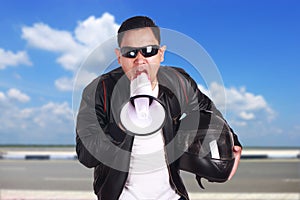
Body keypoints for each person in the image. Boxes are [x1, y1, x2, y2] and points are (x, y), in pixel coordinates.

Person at [76, 16, 242, 200]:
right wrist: (121, 126)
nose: (140, 60)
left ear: (161, 54)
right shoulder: (100, 90)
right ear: (119, 57)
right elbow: (85, 155)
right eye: (130, 53)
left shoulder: (179, 82)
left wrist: (233, 143)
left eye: (149, 51)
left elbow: (209, 114)